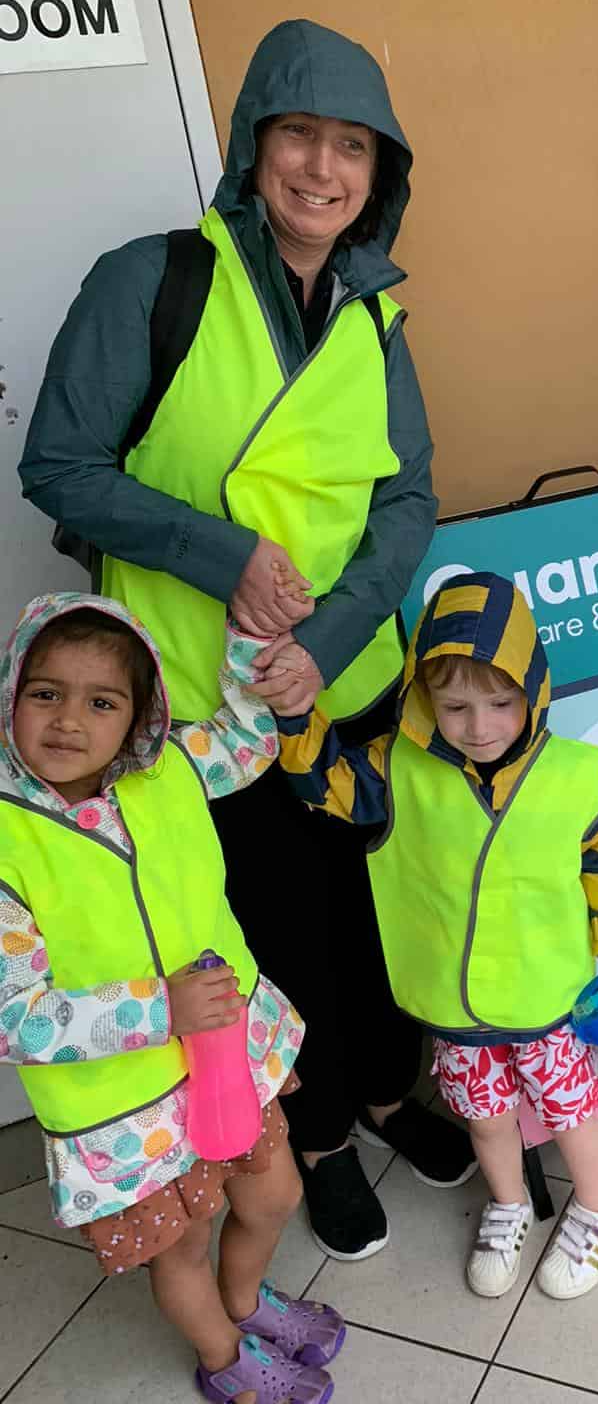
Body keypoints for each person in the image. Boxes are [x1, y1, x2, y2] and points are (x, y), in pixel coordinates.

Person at [19, 19, 473, 1260]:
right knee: (271, 934)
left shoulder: (377, 318)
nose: (323, 169)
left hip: (336, 688)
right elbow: (56, 464)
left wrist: (325, 637)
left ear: (382, 174)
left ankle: (388, 1089)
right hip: (193, 709)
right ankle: (319, 1131)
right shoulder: (154, 280)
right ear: (251, 144)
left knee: (368, 912)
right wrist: (228, 559)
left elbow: (409, 501)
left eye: (353, 148)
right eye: (299, 136)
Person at [0, 593, 344, 1404]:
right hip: (126, 1114)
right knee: (181, 1247)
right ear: (12, 692)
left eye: (102, 700)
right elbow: (13, 1015)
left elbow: (248, 736)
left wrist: (252, 636)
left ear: (138, 715)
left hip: (230, 1060)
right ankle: (225, 1356)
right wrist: (160, 1009)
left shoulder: (169, 768)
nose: (68, 721)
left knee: (276, 1193)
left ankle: (247, 1299)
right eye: (44, 692)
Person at [274, 572, 598, 1300]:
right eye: (455, 705)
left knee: (571, 1115)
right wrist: (294, 715)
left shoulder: (574, 772)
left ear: (533, 689)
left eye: (501, 702)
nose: (479, 725)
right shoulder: (394, 767)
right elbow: (325, 788)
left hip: (547, 995)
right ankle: (508, 1204)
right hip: (453, 1003)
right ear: (421, 697)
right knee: (486, 1117)